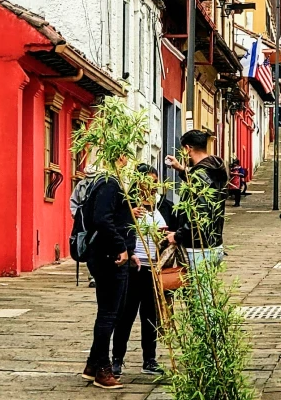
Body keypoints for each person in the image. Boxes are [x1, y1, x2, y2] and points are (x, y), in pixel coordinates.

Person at [79, 154, 136, 389]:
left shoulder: (106, 183)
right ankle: (103, 368)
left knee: (113, 311)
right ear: (119, 157)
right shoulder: (109, 183)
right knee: (109, 313)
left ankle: (93, 364)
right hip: (109, 257)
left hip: (110, 254)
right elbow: (102, 220)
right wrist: (121, 246)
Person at [112, 165, 171, 378]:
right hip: (132, 268)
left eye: (154, 182)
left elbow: (166, 235)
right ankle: (117, 359)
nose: (151, 187)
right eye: (147, 182)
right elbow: (116, 230)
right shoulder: (127, 205)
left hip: (153, 269)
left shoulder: (161, 207)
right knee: (125, 316)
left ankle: (150, 359)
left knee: (150, 317)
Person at [164, 129, 228, 267]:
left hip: (199, 248)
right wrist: (182, 170)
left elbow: (199, 216)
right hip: (214, 244)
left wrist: (177, 236)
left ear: (187, 148)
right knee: (207, 289)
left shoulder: (199, 176)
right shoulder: (215, 170)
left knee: (198, 289)